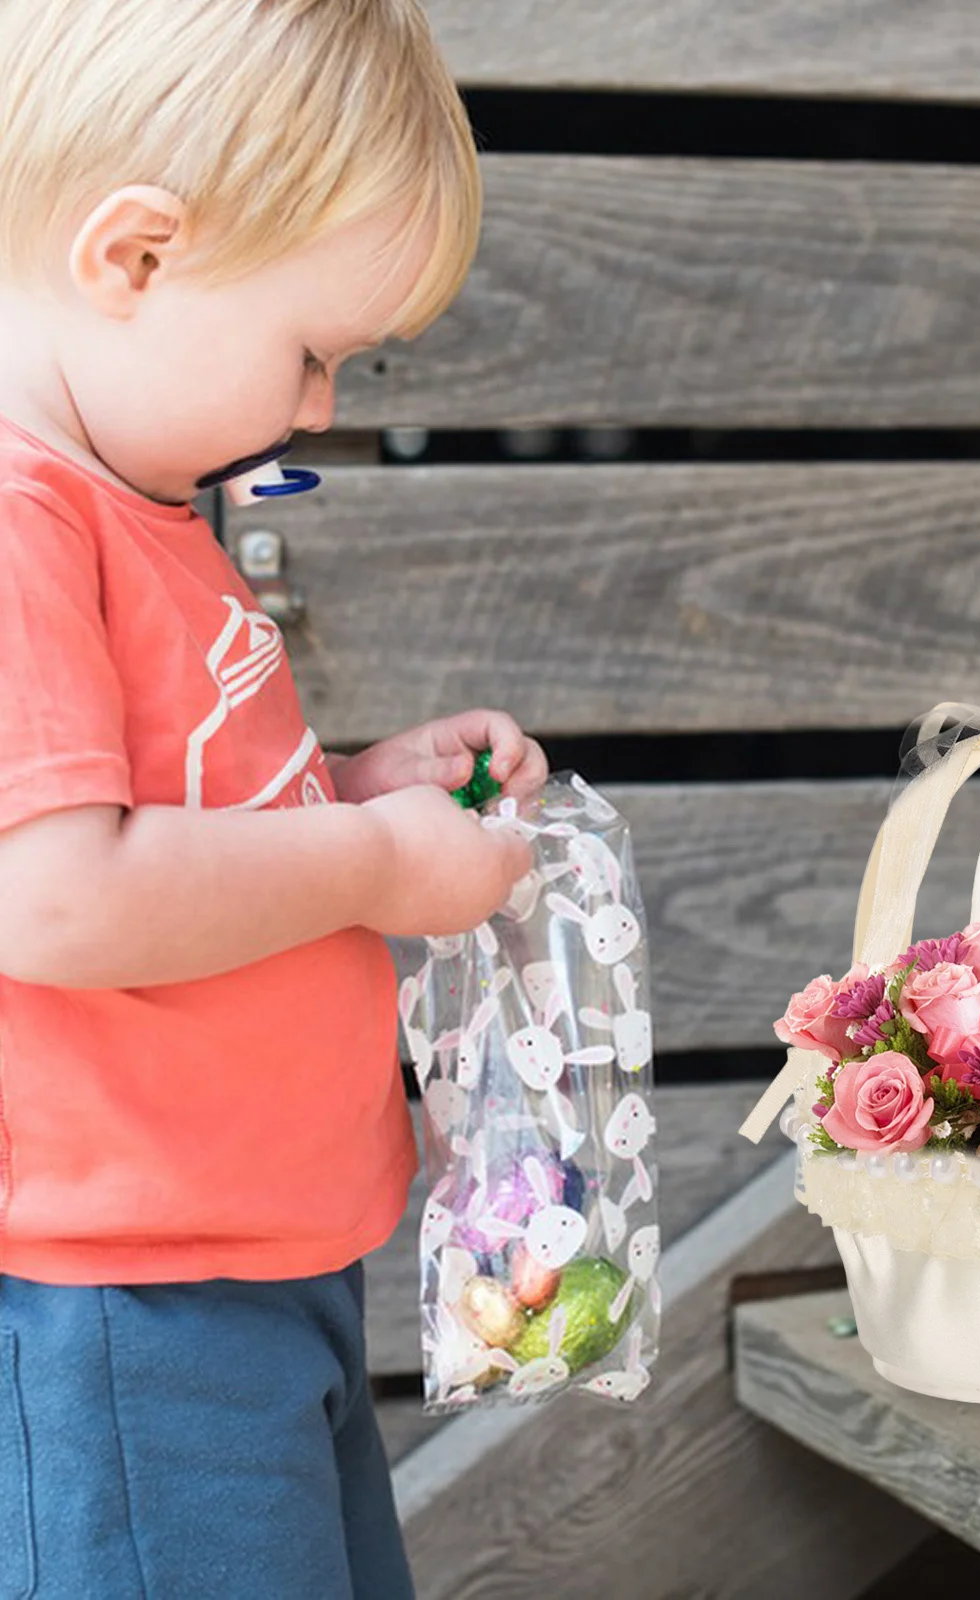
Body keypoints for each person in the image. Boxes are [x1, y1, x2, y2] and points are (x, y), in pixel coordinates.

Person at [0, 2, 539, 1592]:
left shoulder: (134, 502)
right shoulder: (25, 523)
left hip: (249, 1266)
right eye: (314, 350)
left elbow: (183, 811)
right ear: (137, 256)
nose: (317, 407)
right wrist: (370, 859)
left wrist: (356, 791)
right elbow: (56, 892)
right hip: (132, 1311)